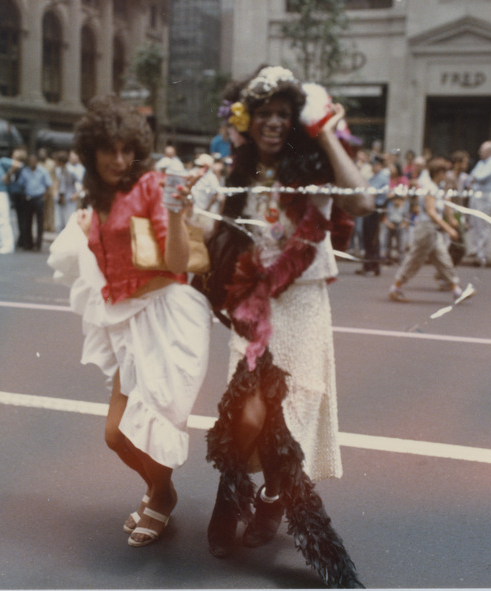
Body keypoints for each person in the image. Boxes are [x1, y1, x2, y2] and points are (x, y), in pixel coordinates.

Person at [203, 66, 372, 588]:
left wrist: (323, 132)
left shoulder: (314, 164)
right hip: (252, 304)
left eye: (283, 114)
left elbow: (362, 202)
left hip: (301, 303)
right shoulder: (238, 170)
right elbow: (215, 235)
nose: (273, 123)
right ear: (246, 119)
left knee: (290, 414)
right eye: (263, 114)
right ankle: (230, 497)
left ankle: (272, 502)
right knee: (245, 413)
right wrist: (196, 203)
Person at [51, 95, 212, 549]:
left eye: (127, 150)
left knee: (151, 424)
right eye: (109, 150)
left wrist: (177, 213)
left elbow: (180, 260)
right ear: (91, 151)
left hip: (165, 319)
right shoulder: (97, 195)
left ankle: (160, 496)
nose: (119, 160)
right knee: (116, 435)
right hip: (126, 319)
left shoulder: (150, 187)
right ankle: (162, 490)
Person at [388, 158, 473, 303]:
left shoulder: (435, 187)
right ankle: (396, 287)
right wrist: (448, 228)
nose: (446, 175)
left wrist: (449, 222)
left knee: (443, 259)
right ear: (438, 172)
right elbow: (431, 212)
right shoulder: (430, 189)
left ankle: (456, 290)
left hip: (433, 231)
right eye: (445, 171)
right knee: (414, 259)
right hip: (426, 229)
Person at [466, 140, 491, 267]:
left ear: (490, 151)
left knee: (482, 224)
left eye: (483, 150)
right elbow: (471, 177)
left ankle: (482, 251)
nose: (480, 152)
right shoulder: (481, 163)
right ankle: (475, 248)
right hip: (475, 194)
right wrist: (473, 178)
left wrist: (474, 178)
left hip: (485, 195)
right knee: (474, 222)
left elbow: (481, 177)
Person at [357, 153, 389, 276]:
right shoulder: (374, 176)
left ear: (380, 165)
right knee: (368, 237)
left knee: (373, 238)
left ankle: (372, 265)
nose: (372, 167)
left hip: (376, 209)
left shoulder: (382, 177)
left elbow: (370, 191)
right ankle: (370, 265)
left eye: (374, 165)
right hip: (370, 208)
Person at [18, 153, 53, 251]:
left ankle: (38, 243)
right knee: (27, 222)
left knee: (40, 222)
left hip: (39, 198)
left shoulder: (43, 171)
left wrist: (44, 197)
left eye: (34, 161)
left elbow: (48, 185)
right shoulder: (25, 171)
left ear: (37, 162)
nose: (32, 163)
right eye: (30, 161)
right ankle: (28, 243)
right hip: (28, 198)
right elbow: (21, 184)